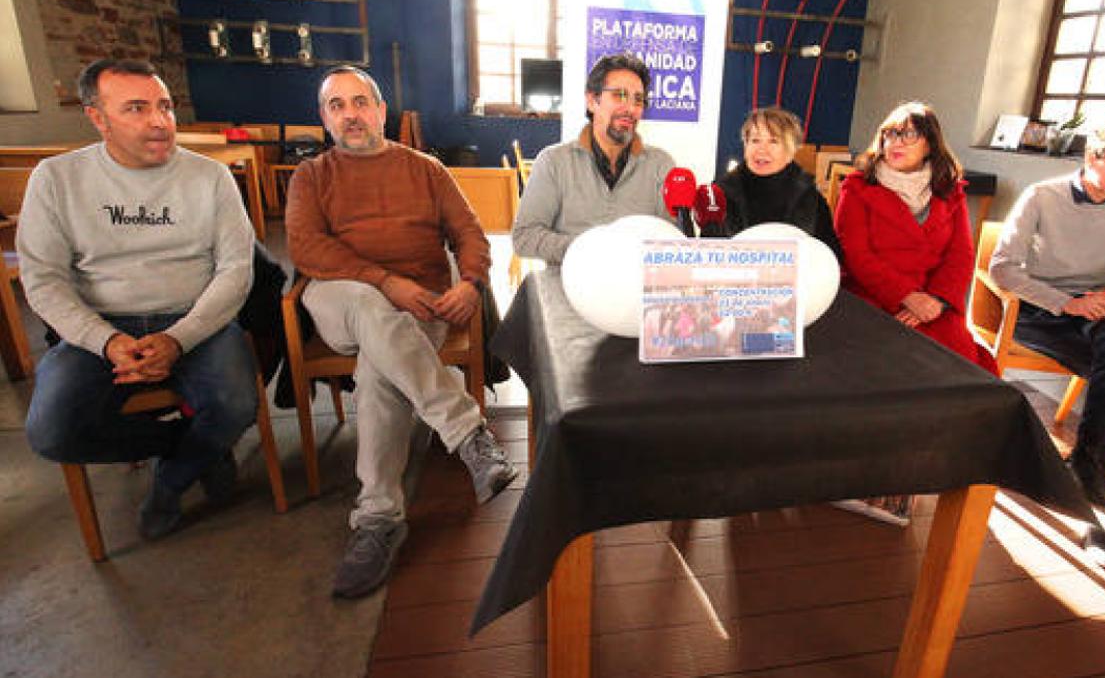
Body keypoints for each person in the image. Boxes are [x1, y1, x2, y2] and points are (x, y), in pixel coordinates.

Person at [285, 66, 518, 599]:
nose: (350, 113)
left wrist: (471, 282)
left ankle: (378, 520)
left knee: (378, 372)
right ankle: (467, 433)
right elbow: (306, 249)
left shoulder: (426, 169)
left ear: (381, 110)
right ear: (324, 117)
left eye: (360, 102)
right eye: (337, 105)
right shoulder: (312, 176)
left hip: (422, 307)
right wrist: (385, 281)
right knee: (371, 305)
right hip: (341, 298)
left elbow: (468, 232)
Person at [18, 58, 257, 541]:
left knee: (235, 404)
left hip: (196, 318)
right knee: (51, 431)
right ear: (97, 117)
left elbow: (236, 270)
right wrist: (106, 342)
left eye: (165, 107)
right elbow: (42, 278)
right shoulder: (57, 178)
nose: (159, 121)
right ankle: (188, 447)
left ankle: (170, 483)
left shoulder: (211, 177)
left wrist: (178, 338)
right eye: (136, 108)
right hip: (102, 323)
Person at [990, 111, 1105, 526]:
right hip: (1036, 305)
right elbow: (1003, 268)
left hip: (1093, 306)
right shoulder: (1041, 196)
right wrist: (1064, 304)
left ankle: (1085, 460)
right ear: (1093, 157)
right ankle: (1101, 479)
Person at [834, 101, 995, 373]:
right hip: (874, 297)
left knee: (960, 363)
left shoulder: (949, 191)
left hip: (933, 302)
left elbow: (961, 255)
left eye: (909, 135)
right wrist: (906, 296)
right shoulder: (858, 188)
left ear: (930, 144)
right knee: (886, 362)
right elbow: (855, 255)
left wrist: (937, 300)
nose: (897, 143)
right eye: (891, 134)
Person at [512, 52, 678, 263]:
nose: (630, 108)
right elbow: (524, 237)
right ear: (592, 101)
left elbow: (674, 243)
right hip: (569, 286)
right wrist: (588, 249)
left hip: (633, 290)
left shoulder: (661, 165)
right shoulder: (553, 162)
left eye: (639, 100)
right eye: (619, 95)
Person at [716, 106, 841, 256]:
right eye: (755, 140)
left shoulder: (811, 199)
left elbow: (829, 256)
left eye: (773, 141)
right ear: (745, 146)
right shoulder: (720, 195)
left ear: (790, 151)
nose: (762, 149)